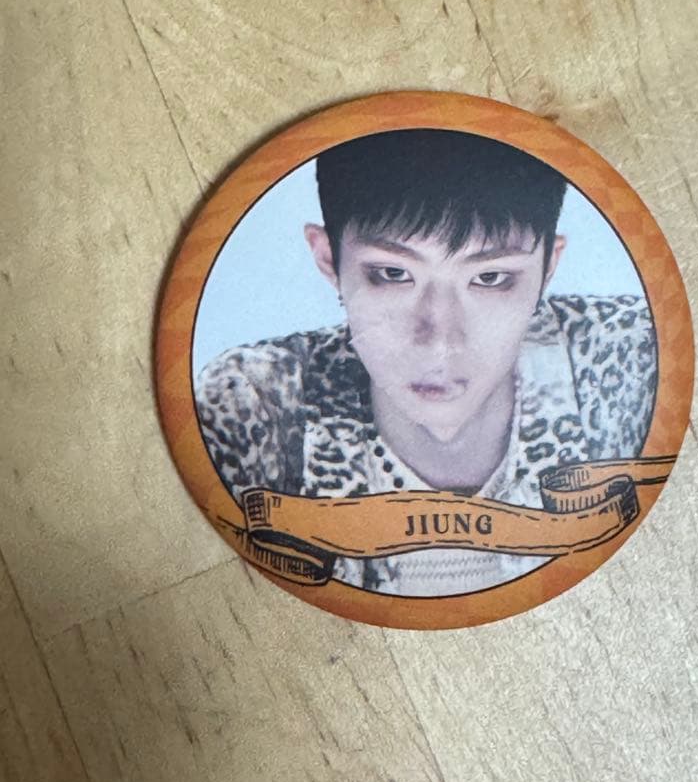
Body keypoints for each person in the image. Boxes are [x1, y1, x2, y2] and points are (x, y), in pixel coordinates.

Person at [195, 129, 657, 596]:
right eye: (393, 273)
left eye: (490, 277)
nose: (440, 342)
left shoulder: (633, 359)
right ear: (329, 259)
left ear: (547, 269)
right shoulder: (254, 404)